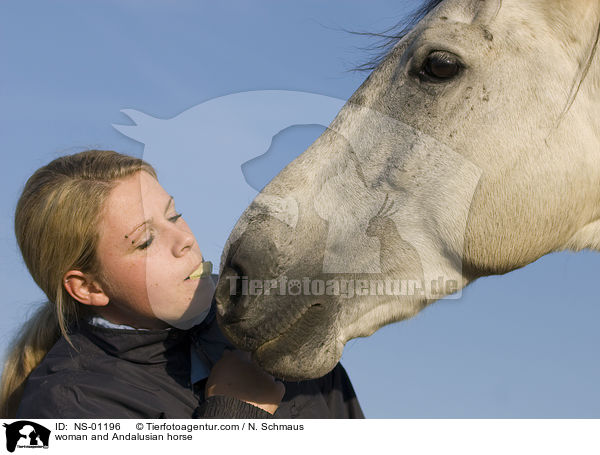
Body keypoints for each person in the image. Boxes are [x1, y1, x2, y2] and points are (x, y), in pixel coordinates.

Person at [0, 149, 363, 419]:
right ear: (88, 288)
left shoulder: (273, 325)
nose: (184, 240)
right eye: (145, 241)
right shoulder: (66, 409)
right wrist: (235, 417)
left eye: (174, 215)